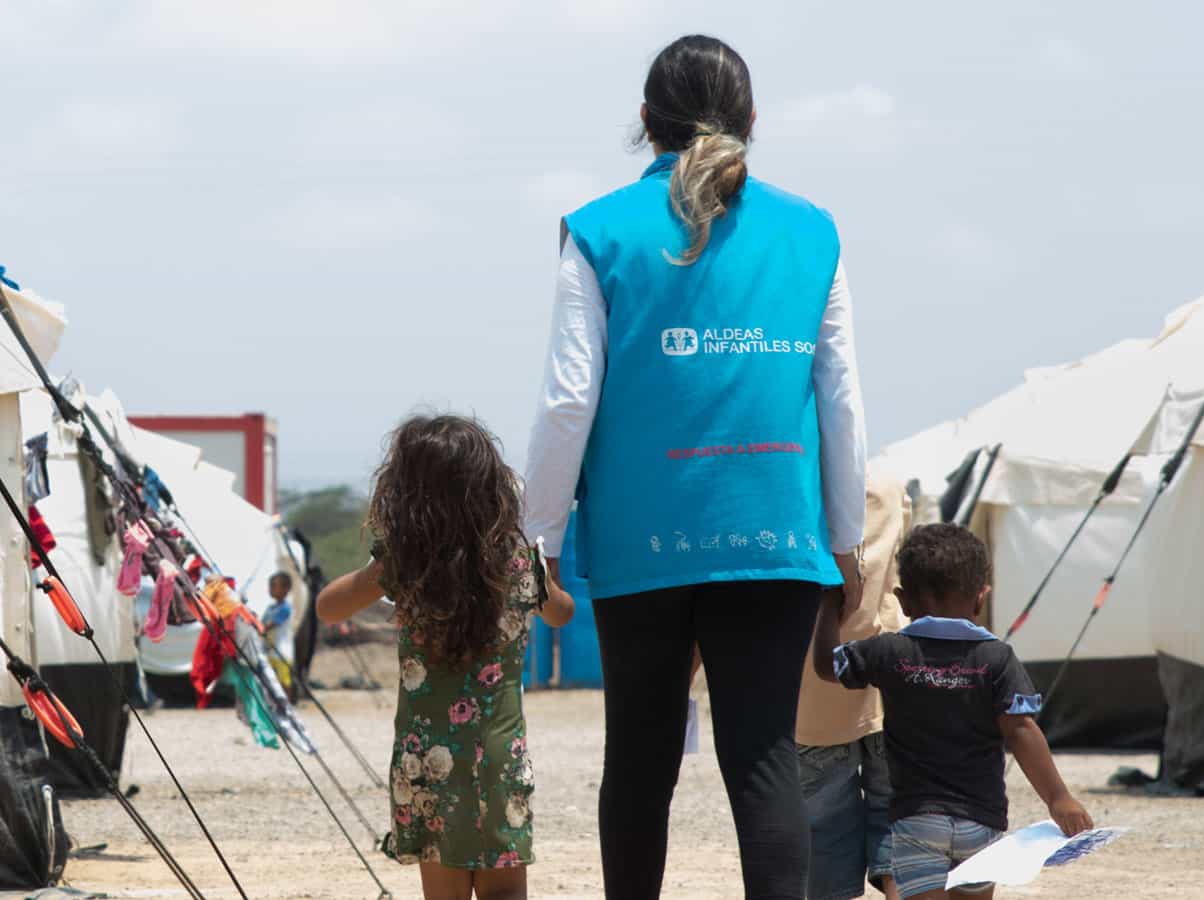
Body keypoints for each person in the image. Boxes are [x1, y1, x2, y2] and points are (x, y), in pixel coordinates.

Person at [521, 34, 868, 898]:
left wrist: (539, 539)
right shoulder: (813, 232)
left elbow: (570, 401)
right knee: (763, 759)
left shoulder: (598, 232)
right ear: (753, 121)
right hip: (777, 533)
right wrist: (847, 541)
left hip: (643, 541)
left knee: (638, 761)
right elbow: (842, 398)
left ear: (646, 122)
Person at [318, 414, 575, 900]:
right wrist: (542, 577)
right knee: (505, 891)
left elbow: (329, 606)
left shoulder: (404, 561)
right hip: (499, 755)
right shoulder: (517, 557)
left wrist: (382, 566)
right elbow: (562, 614)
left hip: (425, 757)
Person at [812, 524, 1094, 899]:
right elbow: (1021, 730)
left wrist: (829, 604)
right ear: (981, 599)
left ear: (901, 600)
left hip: (916, 821)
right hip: (981, 823)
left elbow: (826, 666)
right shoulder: (997, 658)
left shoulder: (888, 652)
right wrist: (1059, 799)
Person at [797, 476, 913, 900]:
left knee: (824, 835)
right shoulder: (887, 487)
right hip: (887, 679)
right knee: (898, 819)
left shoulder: (789, 486)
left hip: (811, 702)